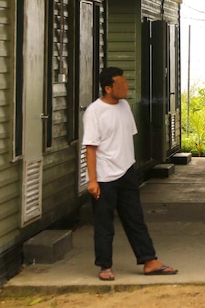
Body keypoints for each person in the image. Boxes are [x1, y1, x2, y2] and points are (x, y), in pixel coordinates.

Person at [83, 66, 178, 281]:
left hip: (127, 172)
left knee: (135, 219)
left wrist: (131, 167)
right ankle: (105, 266)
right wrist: (92, 180)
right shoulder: (94, 112)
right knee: (104, 224)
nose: (126, 88)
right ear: (108, 88)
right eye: (121, 84)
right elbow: (90, 147)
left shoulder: (125, 106)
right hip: (104, 177)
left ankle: (149, 261)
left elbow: (127, 136)